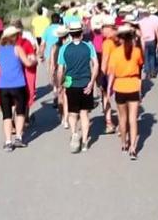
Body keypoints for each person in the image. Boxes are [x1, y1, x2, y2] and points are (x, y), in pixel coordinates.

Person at [0, 26, 36, 151]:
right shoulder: (17, 48)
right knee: (20, 111)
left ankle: (8, 142)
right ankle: (18, 138)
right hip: (18, 85)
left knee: (6, 115)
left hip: (3, 87)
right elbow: (28, 63)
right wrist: (33, 61)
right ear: (13, 37)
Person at [56, 21, 98, 153]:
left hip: (71, 84)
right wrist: (92, 82)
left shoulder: (64, 48)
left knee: (73, 113)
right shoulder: (88, 46)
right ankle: (85, 142)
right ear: (81, 33)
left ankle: (74, 133)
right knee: (84, 114)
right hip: (86, 83)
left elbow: (60, 70)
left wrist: (59, 84)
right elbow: (95, 64)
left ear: (70, 34)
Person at [107, 24, 144, 160]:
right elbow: (140, 66)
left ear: (120, 38)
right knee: (133, 119)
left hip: (120, 86)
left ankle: (124, 143)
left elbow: (111, 73)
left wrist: (109, 88)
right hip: (133, 86)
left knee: (122, 118)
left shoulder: (115, 53)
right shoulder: (136, 51)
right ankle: (133, 147)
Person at [13, 19, 39, 122]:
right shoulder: (27, 36)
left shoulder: (9, 38)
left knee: (16, 93)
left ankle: (15, 119)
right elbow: (34, 47)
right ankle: (26, 116)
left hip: (15, 67)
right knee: (27, 91)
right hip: (27, 65)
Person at [98, 22, 118, 133]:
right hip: (120, 72)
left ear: (110, 28)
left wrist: (101, 74)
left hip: (109, 72)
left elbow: (105, 60)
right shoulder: (120, 40)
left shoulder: (107, 43)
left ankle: (109, 122)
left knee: (106, 96)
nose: (102, 31)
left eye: (104, 28)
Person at [138, 6, 158, 79]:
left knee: (146, 57)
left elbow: (139, 33)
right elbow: (157, 32)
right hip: (152, 40)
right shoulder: (152, 21)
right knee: (152, 56)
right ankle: (153, 71)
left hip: (144, 40)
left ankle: (147, 72)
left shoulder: (140, 22)